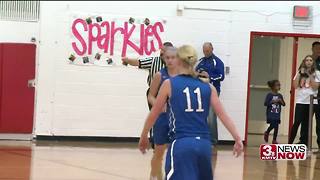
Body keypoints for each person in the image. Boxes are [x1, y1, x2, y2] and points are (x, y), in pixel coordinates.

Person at [139, 45, 243, 180]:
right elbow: (223, 115)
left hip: (181, 143)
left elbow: (154, 113)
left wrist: (143, 136)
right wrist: (237, 138)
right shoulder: (208, 86)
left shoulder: (169, 84)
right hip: (204, 145)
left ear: (178, 61)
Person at [122, 42, 173, 148]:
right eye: (161, 50)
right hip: (154, 93)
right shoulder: (154, 61)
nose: (161, 52)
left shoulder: (174, 64)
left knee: (170, 117)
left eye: (164, 51)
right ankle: (155, 142)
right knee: (155, 116)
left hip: (169, 94)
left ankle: (169, 140)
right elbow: (138, 62)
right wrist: (127, 60)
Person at [147, 47, 178, 180]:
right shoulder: (160, 75)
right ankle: (154, 176)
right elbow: (150, 96)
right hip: (162, 118)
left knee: (176, 153)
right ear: (164, 59)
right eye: (167, 58)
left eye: (173, 57)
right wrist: (158, 104)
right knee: (158, 153)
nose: (170, 60)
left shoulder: (182, 76)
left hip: (177, 119)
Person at [195, 42, 225, 145]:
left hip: (213, 91)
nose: (206, 53)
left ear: (212, 49)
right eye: (204, 51)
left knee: (211, 115)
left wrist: (209, 76)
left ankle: (213, 141)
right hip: (201, 91)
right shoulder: (201, 61)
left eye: (207, 51)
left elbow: (221, 76)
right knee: (200, 114)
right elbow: (194, 72)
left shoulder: (217, 62)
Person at [289, 55, 320, 145]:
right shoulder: (299, 72)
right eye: (307, 60)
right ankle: (289, 143)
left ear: (313, 62)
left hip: (311, 102)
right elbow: (295, 86)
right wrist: (300, 73)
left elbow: (315, 87)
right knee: (297, 121)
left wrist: (309, 74)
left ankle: (304, 143)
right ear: (304, 62)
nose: (309, 62)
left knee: (306, 123)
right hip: (301, 101)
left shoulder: (317, 73)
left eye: (311, 60)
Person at [263, 80, 285, 144]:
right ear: (273, 87)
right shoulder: (269, 95)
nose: (279, 86)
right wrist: (272, 102)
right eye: (277, 85)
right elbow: (265, 103)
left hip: (277, 113)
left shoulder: (280, 95)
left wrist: (280, 101)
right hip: (270, 113)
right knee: (273, 124)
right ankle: (267, 132)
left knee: (276, 126)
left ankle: (274, 139)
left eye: (279, 85)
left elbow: (283, 104)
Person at [312, 41, 320, 149]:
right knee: (305, 120)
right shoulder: (309, 61)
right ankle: (303, 141)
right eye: (317, 48)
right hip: (308, 97)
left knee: (319, 121)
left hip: (319, 96)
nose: (319, 50)